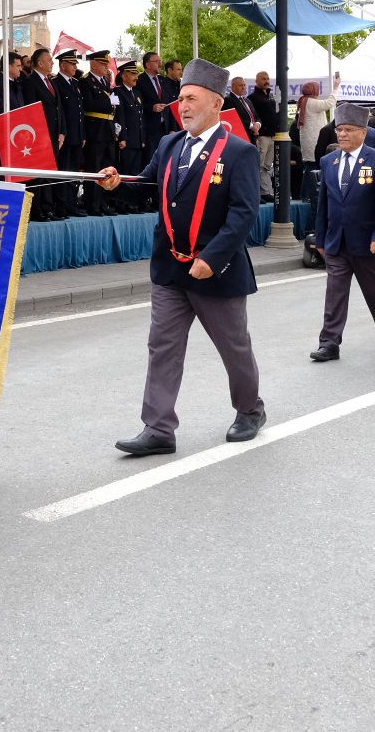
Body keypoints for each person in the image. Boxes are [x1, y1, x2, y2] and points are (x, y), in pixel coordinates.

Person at [99, 58, 265, 455]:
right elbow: (147, 186)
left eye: (191, 99)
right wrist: (118, 183)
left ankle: (250, 410)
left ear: (215, 103)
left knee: (233, 346)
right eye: (181, 98)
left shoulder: (239, 152)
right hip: (171, 268)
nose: (183, 106)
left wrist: (213, 258)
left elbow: (244, 213)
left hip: (215, 271)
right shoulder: (170, 144)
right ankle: (158, 428)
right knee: (163, 347)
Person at [309, 102, 375, 359]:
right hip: (337, 242)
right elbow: (323, 204)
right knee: (334, 293)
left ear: (363, 132)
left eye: (348, 130)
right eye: (339, 130)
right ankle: (329, 343)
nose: (342, 134)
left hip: (368, 242)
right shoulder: (329, 161)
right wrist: (320, 239)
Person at [16, 48, 65, 221]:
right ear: (40, 63)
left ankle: (49, 208)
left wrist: (62, 131)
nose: (52, 63)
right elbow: (30, 111)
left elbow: (59, 108)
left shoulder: (51, 81)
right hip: (39, 135)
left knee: (50, 174)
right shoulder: (30, 82)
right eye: (49, 60)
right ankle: (37, 210)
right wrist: (39, 133)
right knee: (38, 176)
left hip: (54, 135)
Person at [80, 52, 120, 215]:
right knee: (95, 167)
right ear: (94, 64)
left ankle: (103, 203)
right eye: (103, 64)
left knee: (107, 167)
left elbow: (114, 104)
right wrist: (108, 102)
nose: (106, 67)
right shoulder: (86, 81)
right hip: (95, 129)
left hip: (108, 128)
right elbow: (89, 104)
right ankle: (92, 204)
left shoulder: (105, 81)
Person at [53, 49, 86, 218]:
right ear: (63, 65)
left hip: (77, 136)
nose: (75, 67)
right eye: (72, 64)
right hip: (65, 136)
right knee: (63, 171)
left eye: (75, 64)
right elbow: (60, 112)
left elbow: (80, 113)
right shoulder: (56, 83)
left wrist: (83, 134)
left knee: (73, 171)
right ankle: (61, 205)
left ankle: (72, 203)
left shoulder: (75, 83)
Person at [114, 60, 146, 213]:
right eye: (133, 74)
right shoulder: (118, 92)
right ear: (124, 75)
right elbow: (119, 117)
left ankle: (132, 203)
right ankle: (122, 204)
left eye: (136, 74)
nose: (136, 77)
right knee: (125, 172)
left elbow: (141, 119)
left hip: (138, 140)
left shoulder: (137, 93)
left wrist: (143, 138)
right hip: (127, 140)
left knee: (135, 173)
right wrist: (122, 138)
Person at [247, 70, 278, 203]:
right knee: (259, 164)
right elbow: (253, 116)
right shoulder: (252, 97)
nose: (266, 81)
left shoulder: (270, 96)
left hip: (272, 134)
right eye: (263, 79)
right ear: (257, 81)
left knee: (267, 165)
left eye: (267, 78)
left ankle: (267, 191)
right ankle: (259, 192)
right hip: (262, 135)